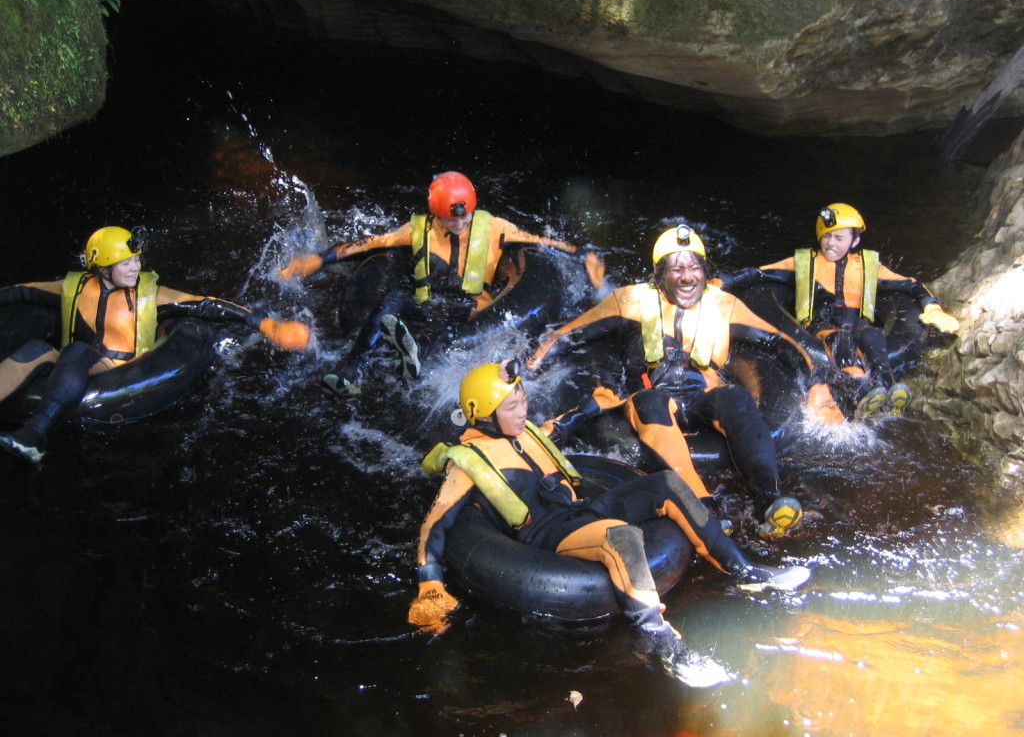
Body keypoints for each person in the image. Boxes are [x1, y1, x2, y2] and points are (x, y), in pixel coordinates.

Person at [407, 361, 811, 687]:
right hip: (549, 533)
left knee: (668, 484)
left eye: (523, 400)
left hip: (582, 508)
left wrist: (592, 405)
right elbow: (436, 523)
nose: (522, 411)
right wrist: (430, 583)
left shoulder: (525, 430)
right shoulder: (466, 463)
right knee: (621, 537)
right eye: (511, 407)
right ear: (483, 415)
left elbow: (556, 428)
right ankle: (664, 643)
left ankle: (744, 570)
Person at [529, 225, 843, 538]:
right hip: (655, 400)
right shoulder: (631, 300)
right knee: (648, 401)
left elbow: (781, 343)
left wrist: (817, 386)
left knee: (734, 396)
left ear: (705, 271)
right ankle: (703, 506)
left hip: (702, 400)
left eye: (694, 266)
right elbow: (569, 334)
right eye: (676, 267)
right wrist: (530, 365)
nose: (687, 276)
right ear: (659, 274)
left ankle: (769, 499)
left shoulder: (723, 304)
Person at [0, 226, 311, 463]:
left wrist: (266, 324)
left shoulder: (150, 295)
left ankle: (35, 435)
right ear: (103, 268)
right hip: (74, 365)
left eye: (136, 260)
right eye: (125, 263)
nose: (135, 267)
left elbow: (207, 305)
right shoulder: (73, 287)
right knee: (35, 350)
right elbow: (22, 292)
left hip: (117, 370)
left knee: (77, 351)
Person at [279, 171, 602, 395]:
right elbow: (370, 245)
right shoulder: (418, 231)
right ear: (436, 214)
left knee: (451, 312)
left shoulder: (497, 228)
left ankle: (416, 353)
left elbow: (539, 241)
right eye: (451, 218)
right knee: (391, 299)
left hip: (471, 308)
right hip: (428, 302)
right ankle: (353, 368)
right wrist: (320, 260)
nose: (459, 223)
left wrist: (581, 254)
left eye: (464, 216)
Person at [718, 203, 961, 417]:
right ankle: (860, 391)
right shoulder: (802, 263)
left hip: (859, 325)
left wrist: (933, 307)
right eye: (827, 237)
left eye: (839, 238)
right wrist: (722, 281)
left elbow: (910, 285)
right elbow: (757, 273)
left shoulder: (868, 266)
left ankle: (888, 388)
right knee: (841, 341)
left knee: (872, 336)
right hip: (822, 330)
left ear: (854, 241)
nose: (831, 243)